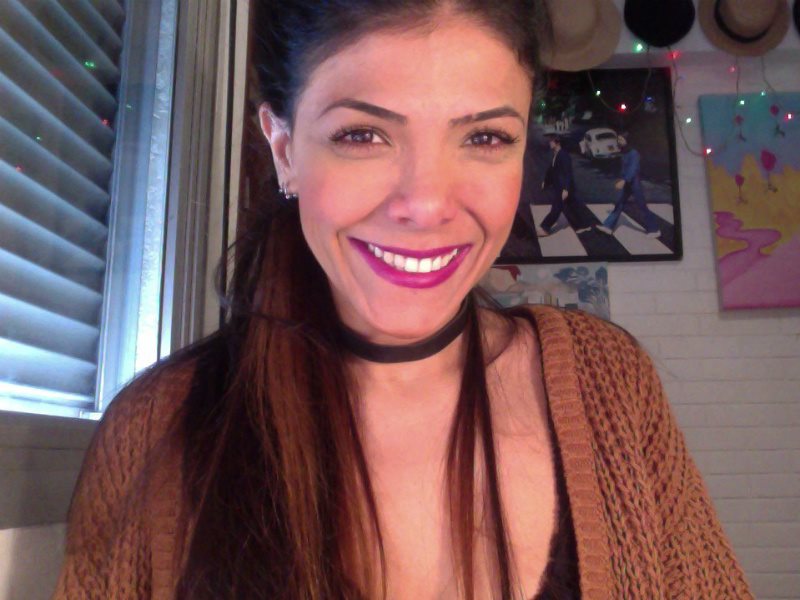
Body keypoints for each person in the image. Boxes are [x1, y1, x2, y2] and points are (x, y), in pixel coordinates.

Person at [54, 2, 753, 599]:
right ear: (285, 148)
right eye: (363, 135)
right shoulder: (155, 433)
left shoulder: (612, 390)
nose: (425, 203)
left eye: (485, 136)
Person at [596, 134, 661, 238]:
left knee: (641, 206)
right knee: (619, 204)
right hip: (628, 182)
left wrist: (624, 180)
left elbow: (633, 168)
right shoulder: (624, 151)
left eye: (621, 139)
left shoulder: (633, 153)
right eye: (618, 139)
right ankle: (608, 226)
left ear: (627, 140)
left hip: (634, 182)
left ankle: (654, 229)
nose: (619, 141)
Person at [536, 135, 593, 237]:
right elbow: (551, 170)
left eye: (551, 141)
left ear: (557, 143)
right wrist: (546, 181)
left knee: (556, 208)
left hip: (563, 187)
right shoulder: (556, 154)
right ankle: (583, 225)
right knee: (572, 207)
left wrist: (566, 189)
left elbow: (568, 173)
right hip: (560, 186)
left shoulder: (564, 155)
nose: (549, 143)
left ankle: (545, 228)